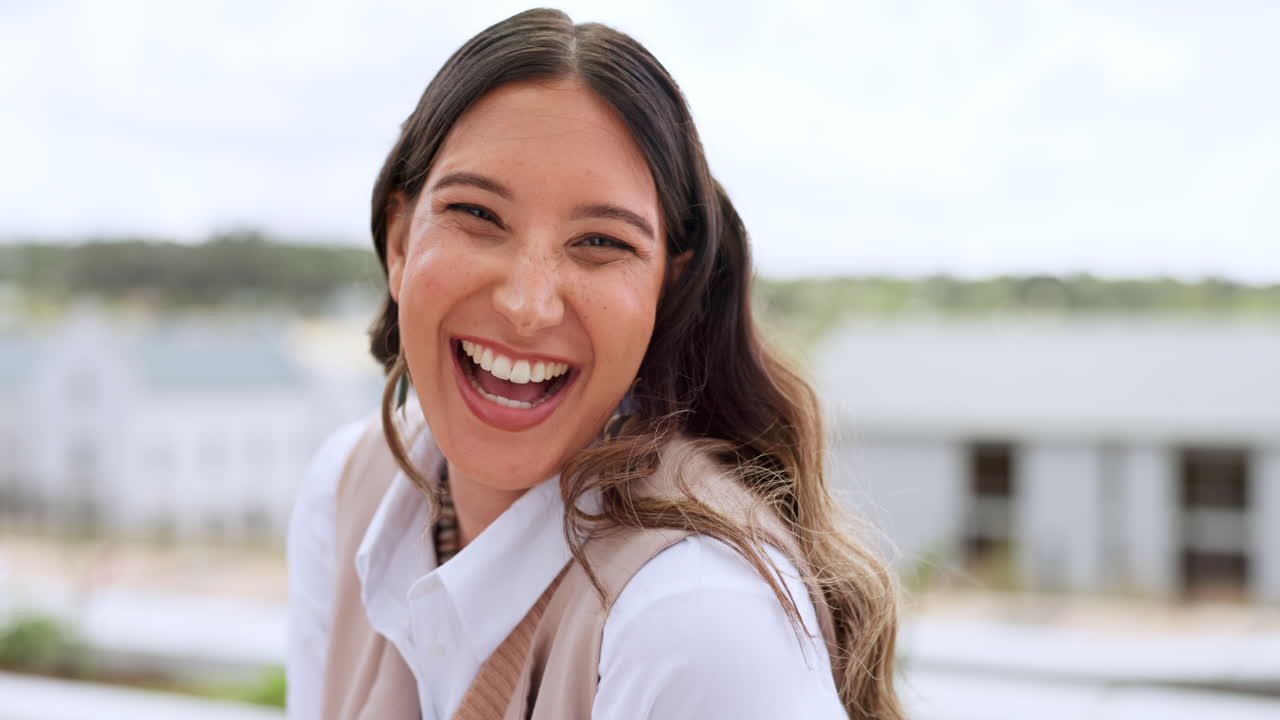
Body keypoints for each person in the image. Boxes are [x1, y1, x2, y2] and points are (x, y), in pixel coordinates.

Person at [286, 8, 903, 720]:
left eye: (601, 243)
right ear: (400, 242)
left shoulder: (698, 621)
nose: (526, 304)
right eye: (479, 215)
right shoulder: (344, 494)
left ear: (668, 290)